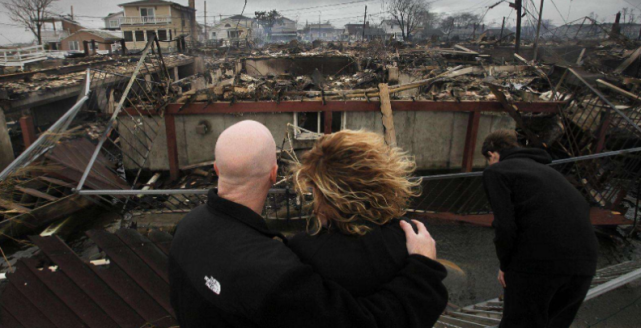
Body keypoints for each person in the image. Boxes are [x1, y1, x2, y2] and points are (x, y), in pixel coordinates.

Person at [169, 120, 448, 328]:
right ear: (274, 174)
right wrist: (423, 270)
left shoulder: (187, 228)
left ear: (216, 169)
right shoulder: (277, 272)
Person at [288, 129, 448, 327]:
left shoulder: (301, 251)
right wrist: (424, 264)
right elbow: (429, 305)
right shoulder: (409, 238)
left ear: (324, 192)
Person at [481, 129, 598, 328]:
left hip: (539, 263)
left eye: (488, 159)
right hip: (585, 264)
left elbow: (505, 226)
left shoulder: (497, 171)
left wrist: (505, 264)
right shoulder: (550, 172)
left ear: (492, 154)